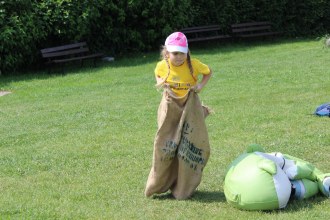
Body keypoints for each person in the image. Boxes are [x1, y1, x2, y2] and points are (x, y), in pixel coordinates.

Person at [145, 32, 212, 199]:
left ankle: (182, 188)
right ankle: (159, 183)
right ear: (167, 53)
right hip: (170, 107)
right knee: (167, 143)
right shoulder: (163, 65)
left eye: (182, 53)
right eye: (175, 53)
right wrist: (161, 82)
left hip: (189, 106)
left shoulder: (194, 65)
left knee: (187, 144)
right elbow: (157, 73)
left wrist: (200, 86)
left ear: (187, 52)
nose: (179, 57)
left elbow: (208, 72)